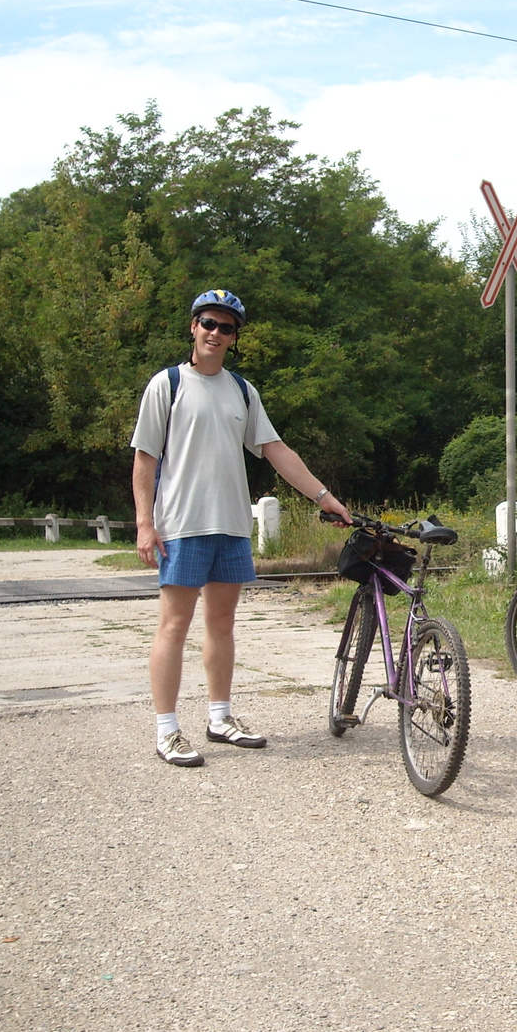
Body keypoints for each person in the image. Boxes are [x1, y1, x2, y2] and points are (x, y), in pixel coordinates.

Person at [131, 288, 353, 767]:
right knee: (173, 625)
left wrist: (325, 496)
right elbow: (145, 459)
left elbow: (276, 450)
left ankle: (219, 717)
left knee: (222, 623)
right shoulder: (166, 385)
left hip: (231, 526)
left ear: (234, 337)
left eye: (226, 328)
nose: (215, 333)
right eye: (208, 323)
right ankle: (167, 729)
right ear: (193, 327)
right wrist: (144, 523)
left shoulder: (242, 391)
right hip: (182, 526)